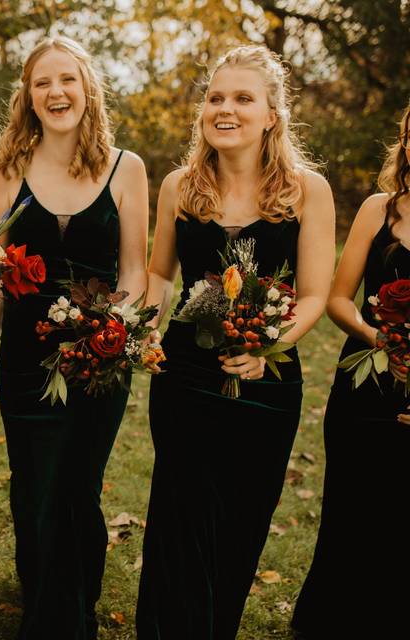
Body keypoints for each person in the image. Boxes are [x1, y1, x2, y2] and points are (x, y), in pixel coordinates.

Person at [136, 45, 335, 639]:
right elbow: (157, 275)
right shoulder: (179, 186)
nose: (225, 109)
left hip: (266, 382)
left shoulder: (307, 191)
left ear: (272, 114)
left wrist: (265, 350)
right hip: (185, 377)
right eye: (216, 98)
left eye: (243, 99)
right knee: (180, 516)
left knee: (242, 520)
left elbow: (316, 295)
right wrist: (141, 331)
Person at [0, 37, 149, 639]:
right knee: (34, 485)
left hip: (101, 356)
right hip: (25, 353)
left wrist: (115, 329)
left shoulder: (127, 169)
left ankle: (69, 612)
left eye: (67, 80)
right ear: (28, 95)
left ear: (87, 88)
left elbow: (135, 270)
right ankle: (42, 593)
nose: (55, 93)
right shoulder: (4, 171)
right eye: (42, 83)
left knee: (78, 484)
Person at [291, 99, 410, 638]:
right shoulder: (378, 209)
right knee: (354, 509)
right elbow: (339, 299)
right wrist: (378, 336)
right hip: (366, 380)